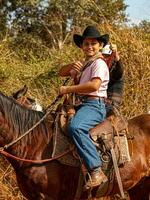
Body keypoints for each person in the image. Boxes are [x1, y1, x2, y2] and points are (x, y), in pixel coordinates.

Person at [58, 26, 109, 189]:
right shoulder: (86, 65)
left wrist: (68, 89)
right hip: (82, 105)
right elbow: (61, 72)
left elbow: (94, 86)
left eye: (93, 43)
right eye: (86, 44)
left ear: (100, 45)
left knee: (76, 127)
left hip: (94, 105)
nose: (89, 47)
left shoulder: (99, 63)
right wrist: (73, 66)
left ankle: (96, 170)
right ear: (81, 46)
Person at [101, 44, 124, 116]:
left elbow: (120, 71)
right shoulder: (102, 67)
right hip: (101, 101)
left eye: (108, 56)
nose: (105, 58)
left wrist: (116, 55)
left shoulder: (116, 68)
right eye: (104, 56)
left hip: (111, 103)